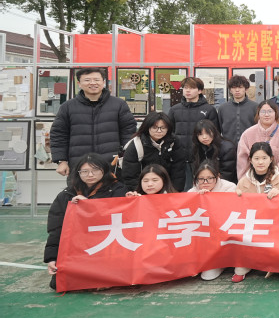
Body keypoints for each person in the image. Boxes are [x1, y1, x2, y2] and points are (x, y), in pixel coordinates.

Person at [44, 153, 127, 290]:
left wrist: (89, 206)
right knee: (58, 283)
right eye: (84, 171)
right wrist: (52, 258)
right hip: (80, 248)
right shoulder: (66, 195)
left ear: (104, 170)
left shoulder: (118, 189)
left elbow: (122, 218)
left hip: (109, 247)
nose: (90, 175)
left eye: (95, 170)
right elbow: (56, 230)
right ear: (78, 173)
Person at [50, 67, 137, 177]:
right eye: (87, 80)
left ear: (103, 82)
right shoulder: (68, 107)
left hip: (112, 165)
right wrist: (61, 160)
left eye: (96, 80)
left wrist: (125, 157)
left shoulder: (119, 104)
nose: (92, 83)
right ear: (79, 84)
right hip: (79, 166)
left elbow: (129, 132)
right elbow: (58, 134)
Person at [232, 142, 279, 283]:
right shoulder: (243, 182)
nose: (260, 162)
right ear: (250, 160)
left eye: (264, 158)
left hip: (273, 224)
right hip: (251, 225)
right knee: (239, 268)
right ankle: (246, 263)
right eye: (256, 158)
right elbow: (237, 209)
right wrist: (237, 196)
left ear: (271, 159)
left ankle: (271, 262)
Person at [187, 160, 236, 281]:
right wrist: (198, 199)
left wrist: (209, 199)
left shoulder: (229, 187)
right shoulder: (192, 192)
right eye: (201, 179)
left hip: (222, 230)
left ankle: (221, 262)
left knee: (208, 275)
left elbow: (230, 211)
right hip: (201, 235)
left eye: (210, 178)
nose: (205, 182)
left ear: (217, 176)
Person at [119, 112, 184, 192]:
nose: (159, 131)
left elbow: (178, 170)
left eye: (163, 128)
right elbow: (130, 175)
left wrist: (175, 191)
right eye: (154, 127)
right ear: (147, 127)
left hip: (167, 189)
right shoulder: (136, 144)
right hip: (144, 189)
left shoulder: (173, 141)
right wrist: (139, 192)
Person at [237, 100, 279, 181]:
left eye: (270, 111)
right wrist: (246, 182)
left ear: (276, 113)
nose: (266, 115)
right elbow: (242, 163)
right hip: (252, 182)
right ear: (258, 114)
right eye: (263, 112)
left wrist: (278, 183)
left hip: (277, 183)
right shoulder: (247, 134)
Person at [168, 76, 220, 164]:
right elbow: (169, 132)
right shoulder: (174, 110)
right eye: (185, 88)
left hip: (201, 157)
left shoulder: (209, 110)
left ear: (200, 91)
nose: (188, 91)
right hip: (179, 157)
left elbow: (215, 133)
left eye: (192, 88)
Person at [190, 120, 237, 190]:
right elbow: (196, 170)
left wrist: (210, 185)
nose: (204, 137)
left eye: (207, 133)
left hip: (223, 185)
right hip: (204, 184)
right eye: (200, 134)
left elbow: (227, 173)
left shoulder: (227, 148)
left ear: (214, 132)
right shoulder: (197, 148)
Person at [217, 75, 258, 145]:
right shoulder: (222, 108)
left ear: (246, 89)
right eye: (234, 87)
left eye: (240, 87)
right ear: (230, 90)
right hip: (228, 147)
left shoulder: (255, 107)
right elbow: (218, 130)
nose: (237, 90)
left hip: (250, 146)